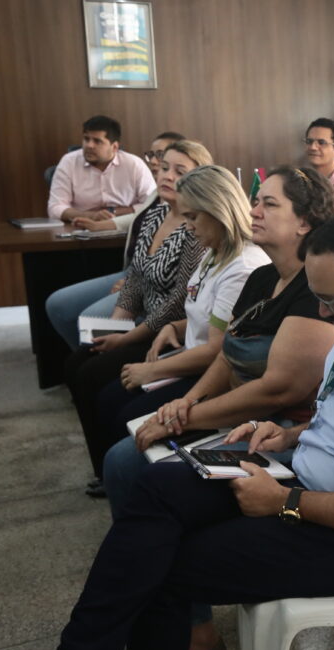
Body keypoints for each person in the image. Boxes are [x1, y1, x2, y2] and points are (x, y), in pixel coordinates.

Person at [34, 213, 334, 650]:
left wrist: (283, 501)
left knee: (162, 566)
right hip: (302, 481)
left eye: (328, 301)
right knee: (156, 485)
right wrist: (289, 435)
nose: (322, 313)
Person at [87, 165, 270, 480]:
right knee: (110, 395)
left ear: (218, 210)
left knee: (124, 411)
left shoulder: (242, 268)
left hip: (209, 374)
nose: (188, 226)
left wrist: (153, 370)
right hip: (192, 357)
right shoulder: (215, 252)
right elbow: (206, 316)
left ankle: (120, 477)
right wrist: (174, 327)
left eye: (193, 217)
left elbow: (217, 349)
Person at [63, 140, 213, 492]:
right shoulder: (156, 213)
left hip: (168, 331)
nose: (167, 176)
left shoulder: (196, 227)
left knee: (94, 376)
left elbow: (179, 302)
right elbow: (136, 277)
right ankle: (103, 467)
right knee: (77, 361)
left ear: (200, 179)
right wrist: (115, 326)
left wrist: (127, 338)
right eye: (164, 167)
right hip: (142, 322)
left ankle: (110, 471)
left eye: (180, 171)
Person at [45, 131, 187, 350]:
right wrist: (100, 225)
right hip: (134, 272)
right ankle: (87, 359)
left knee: (91, 320)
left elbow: (175, 283)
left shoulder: (192, 216)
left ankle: (96, 360)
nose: (154, 162)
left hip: (153, 283)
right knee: (57, 304)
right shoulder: (157, 198)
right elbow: (137, 217)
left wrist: (134, 282)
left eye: (161, 155)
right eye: (153, 155)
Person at [47, 115, 156, 221]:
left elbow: (154, 203)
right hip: (80, 225)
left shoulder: (134, 164)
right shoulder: (69, 162)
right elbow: (55, 208)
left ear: (114, 147)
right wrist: (91, 216)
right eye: (86, 139)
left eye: (97, 141)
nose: (89, 145)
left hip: (125, 225)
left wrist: (113, 212)